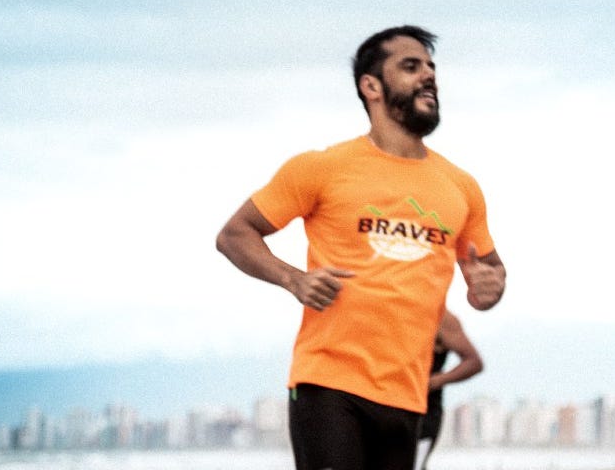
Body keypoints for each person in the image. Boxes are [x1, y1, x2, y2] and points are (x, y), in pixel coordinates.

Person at [215, 25, 506, 470]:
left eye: (431, 67)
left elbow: (490, 274)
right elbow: (235, 234)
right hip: (329, 383)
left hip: (408, 394)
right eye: (411, 67)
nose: (428, 76)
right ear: (371, 86)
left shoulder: (460, 187)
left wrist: (490, 289)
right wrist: (294, 278)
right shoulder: (323, 168)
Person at [414, 310, 483, 470]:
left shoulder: (442, 317)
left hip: (424, 413)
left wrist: (436, 381)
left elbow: (474, 362)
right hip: (386, 406)